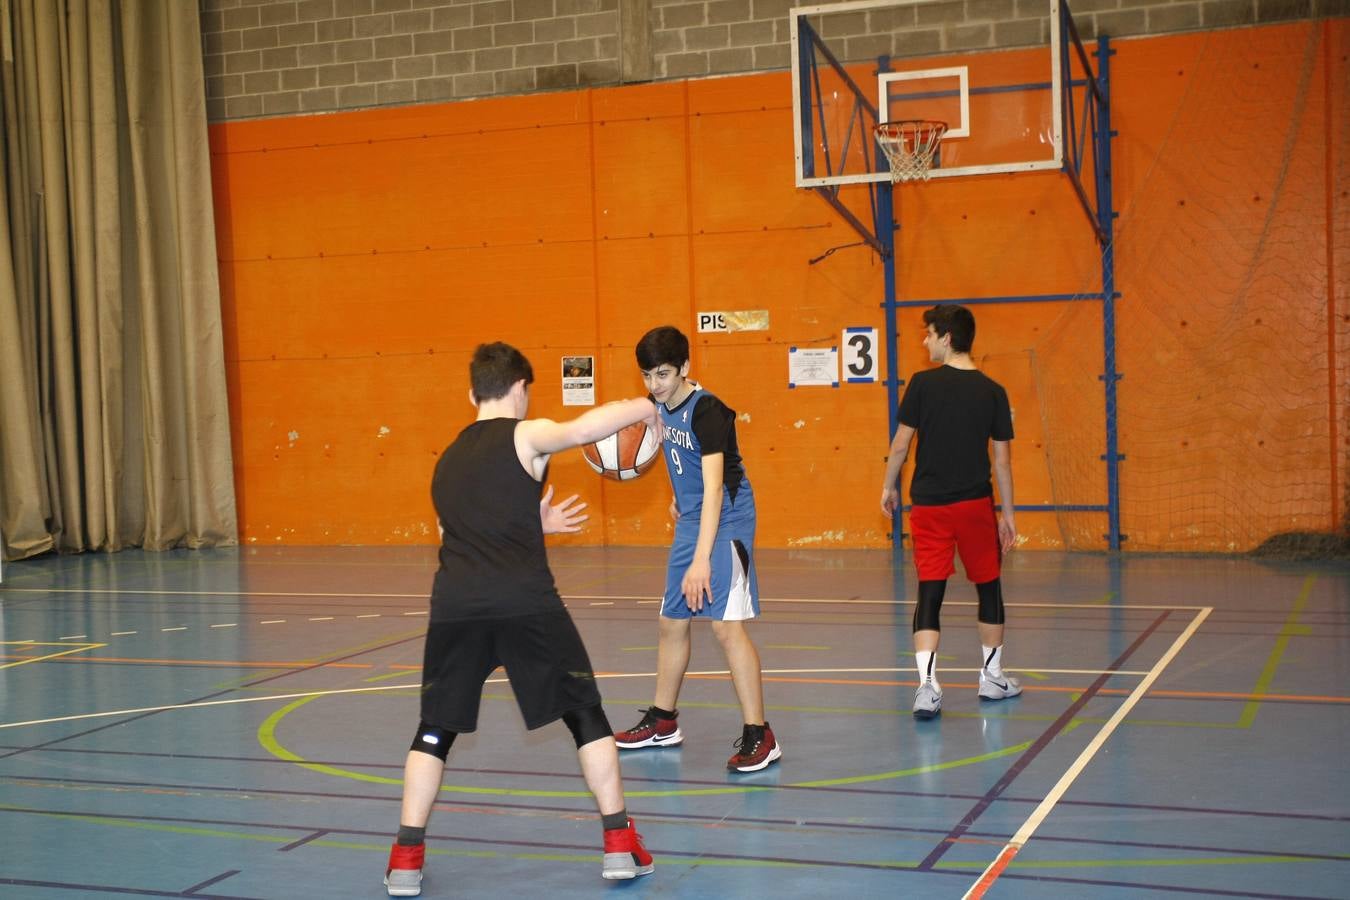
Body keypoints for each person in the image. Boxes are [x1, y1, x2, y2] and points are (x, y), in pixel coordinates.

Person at [385, 342, 657, 897]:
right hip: (525, 602)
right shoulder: (525, 433)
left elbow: (454, 535)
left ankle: (406, 859)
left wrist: (534, 523)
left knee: (434, 730)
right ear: (520, 389)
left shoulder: (448, 459)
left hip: (456, 606)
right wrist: (645, 403)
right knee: (585, 716)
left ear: (471, 393)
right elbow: (583, 430)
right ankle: (617, 846)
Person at [613, 326, 781, 773]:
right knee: (672, 621)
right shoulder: (657, 406)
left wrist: (702, 559)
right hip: (693, 516)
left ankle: (760, 734)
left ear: (686, 367)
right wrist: (676, 497)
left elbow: (713, 489)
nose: (654, 385)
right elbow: (677, 463)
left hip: (727, 519)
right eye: (647, 375)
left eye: (663, 374)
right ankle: (663, 721)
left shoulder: (709, 412)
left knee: (726, 628)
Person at [880, 305, 1021, 720]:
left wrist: (888, 485)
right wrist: (1007, 514)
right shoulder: (993, 391)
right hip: (975, 506)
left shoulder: (922, 385)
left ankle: (927, 688)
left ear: (946, 337)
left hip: (929, 507)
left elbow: (901, 445)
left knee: (930, 592)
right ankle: (992, 677)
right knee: (989, 588)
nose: (924, 341)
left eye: (927, 334)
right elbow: (1002, 462)